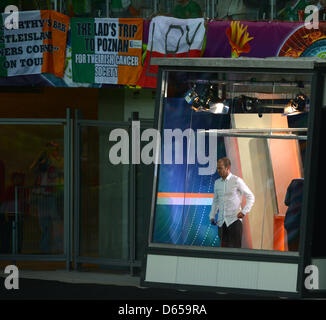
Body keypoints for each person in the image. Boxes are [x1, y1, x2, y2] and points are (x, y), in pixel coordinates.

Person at [209, 157, 255, 248]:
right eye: (217, 168)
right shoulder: (217, 183)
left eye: (220, 168)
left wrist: (244, 212)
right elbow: (215, 201)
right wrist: (212, 216)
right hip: (221, 222)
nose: (218, 170)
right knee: (223, 252)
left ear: (227, 168)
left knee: (235, 253)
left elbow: (251, 196)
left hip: (234, 221)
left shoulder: (237, 180)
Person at [30, 141, 64, 254]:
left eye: (53, 148)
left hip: (55, 194)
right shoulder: (44, 160)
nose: (51, 150)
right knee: (44, 223)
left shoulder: (61, 160)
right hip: (43, 194)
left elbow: (60, 170)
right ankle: (45, 249)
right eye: (49, 148)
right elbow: (33, 169)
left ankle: (59, 248)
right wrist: (40, 157)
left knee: (56, 221)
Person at [284, 178, 304, 251]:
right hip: (303, 222)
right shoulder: (313, 185)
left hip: (291, 221)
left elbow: (286, 202)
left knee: (293, 251)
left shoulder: (294, 182)